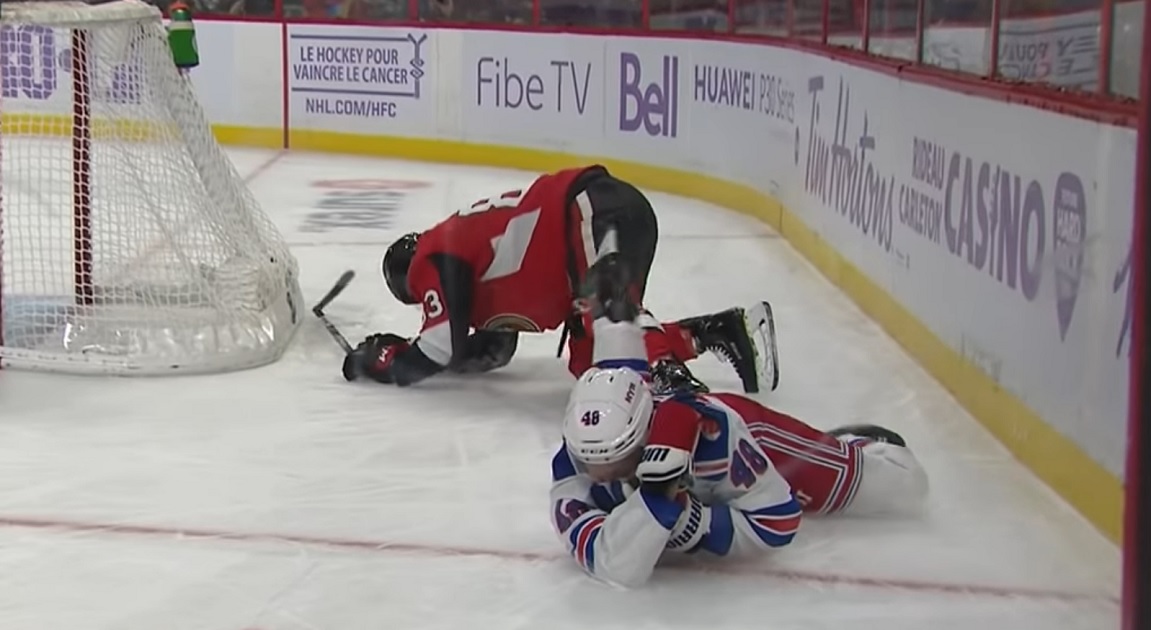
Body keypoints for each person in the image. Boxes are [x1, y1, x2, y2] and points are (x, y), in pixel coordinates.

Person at [548, 278, 929, 588]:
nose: (596, 474)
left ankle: (850, 448)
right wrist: (669, 508)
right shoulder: (571, 465)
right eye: (587, 459)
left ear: (643, 435)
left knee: (902, 487)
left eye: (616, 458)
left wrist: (684, 520)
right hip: (694, 451)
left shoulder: (716, 436)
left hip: (757, 437)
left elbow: (777, 521)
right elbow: (614, 565)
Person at [339, 164, 779, 392]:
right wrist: (414, 350)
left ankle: (678, 397)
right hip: (601, 212)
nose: (427, 302)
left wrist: (378, 360)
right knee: (594, 362)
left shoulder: (432, 256)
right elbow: (493, 349)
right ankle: (720, 331)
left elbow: (440, 345)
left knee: (613, 331)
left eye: (421, 300)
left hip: (588, 212)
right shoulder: (468, 260)